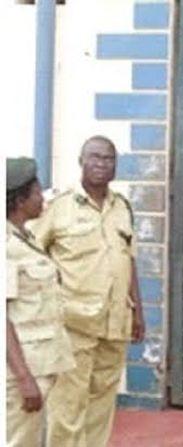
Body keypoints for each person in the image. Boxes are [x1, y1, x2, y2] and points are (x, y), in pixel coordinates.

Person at [33, 136, 145, 447]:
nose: (101, 164)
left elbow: (128, 260)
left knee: (102, 402)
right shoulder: (57, 206)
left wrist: (137, 310)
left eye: (108, 158)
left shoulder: (122, 207)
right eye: (94, 157)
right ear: (81, 161)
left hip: (114, 321)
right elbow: (32, 257)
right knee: (68, 404)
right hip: (73, 323)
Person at [6, 158, 75, 447]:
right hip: (20, 371)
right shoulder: (7, 246)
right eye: (36, 192)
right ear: (21, 199)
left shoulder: (25, 236)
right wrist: (23, 377)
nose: (42, 197)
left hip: (42, 362)